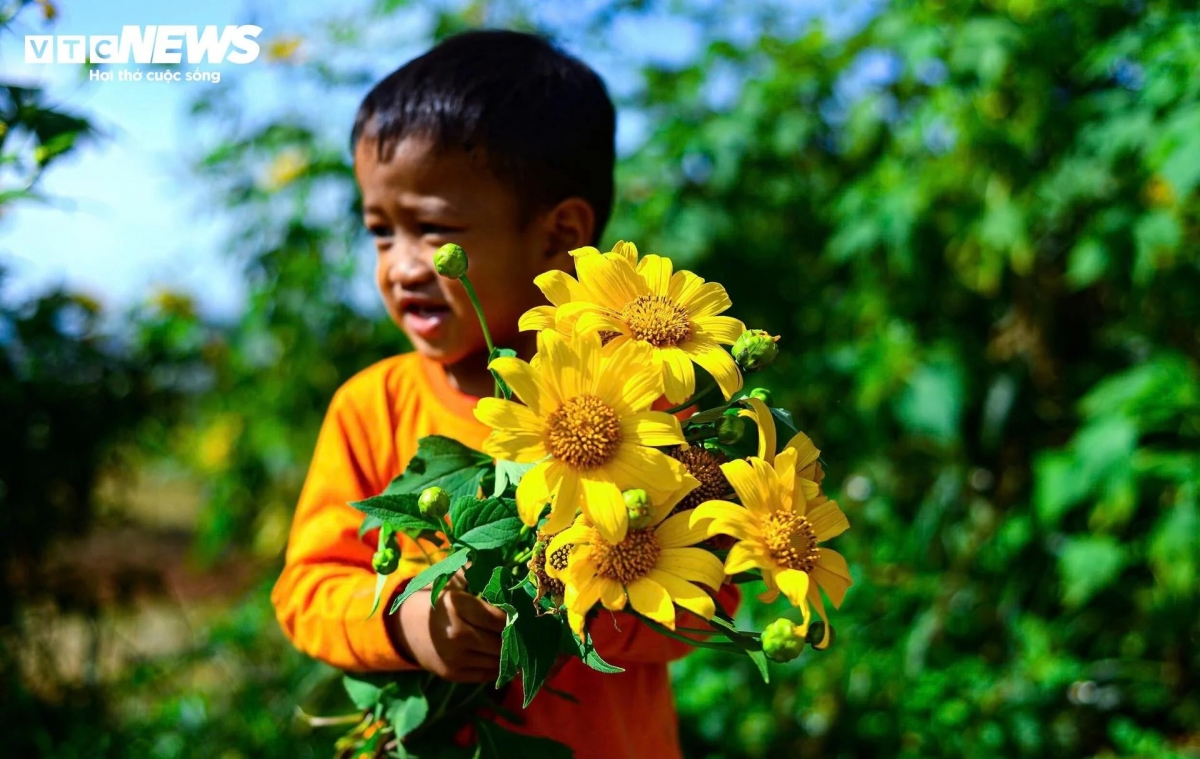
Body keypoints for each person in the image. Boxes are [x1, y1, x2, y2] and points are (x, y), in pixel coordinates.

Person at [271, 29, 735, 759]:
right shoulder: (371, 406)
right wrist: (407, 623)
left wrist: (571, 603)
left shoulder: (645, 394)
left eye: (433, 230)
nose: (401, 266)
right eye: (380, 232)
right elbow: (306, 588)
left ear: (561, 235)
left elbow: (713, 599)